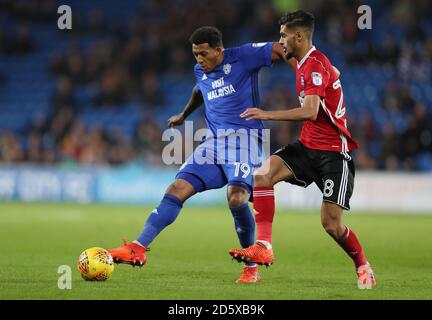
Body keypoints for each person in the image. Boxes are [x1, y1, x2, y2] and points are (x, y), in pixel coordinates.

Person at [108, 26, 291, 283]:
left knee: (236, 198)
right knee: (176, 188)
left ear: (219, 50)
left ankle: (252, 267)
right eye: (195, 55)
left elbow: (282, 49)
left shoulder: (244, 56)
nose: (199, 60)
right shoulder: (200, 71)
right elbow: (199, 91)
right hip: (212, 144)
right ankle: (137, 248)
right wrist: (184, 115)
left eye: (204, 54)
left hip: (244, 141)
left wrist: (303, 75)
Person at [228, 11, 377, 289]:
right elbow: (281, 55)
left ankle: (363, 266)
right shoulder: (304, 60)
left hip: (333, 154)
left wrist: (267, 114)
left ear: (299, 36)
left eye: (283, 34)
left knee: (331, 225)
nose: (280, 39)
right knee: (263, 176)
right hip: (307, 146)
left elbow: (310, 111)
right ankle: (264, 245)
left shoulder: (315, 65)